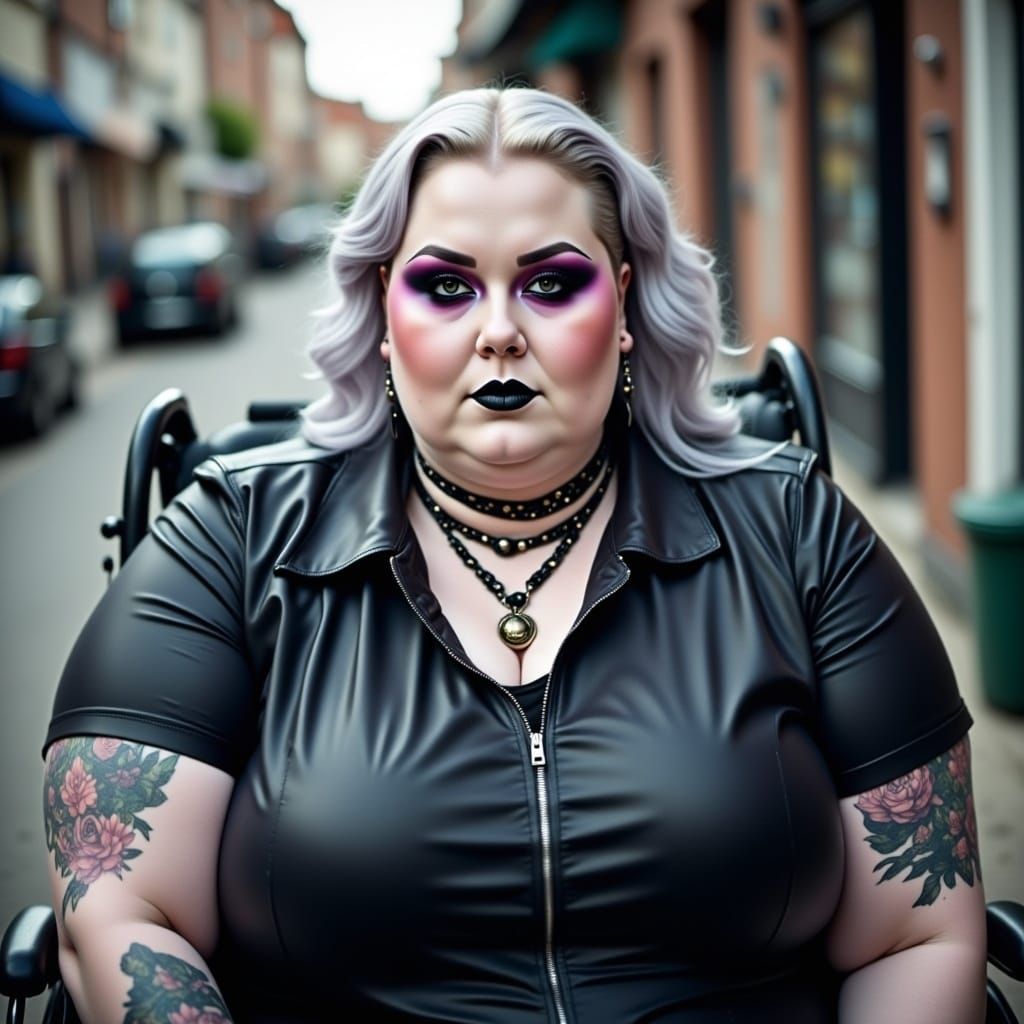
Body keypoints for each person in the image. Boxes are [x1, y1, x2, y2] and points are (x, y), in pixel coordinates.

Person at [42, 87, 985, 1023]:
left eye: (552, 283)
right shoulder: (232, 537)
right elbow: (123, 915)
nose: (499, 332)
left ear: (625, 303)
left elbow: (918, 935)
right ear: (383, 310)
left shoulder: (798, 531)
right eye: (446, 287)